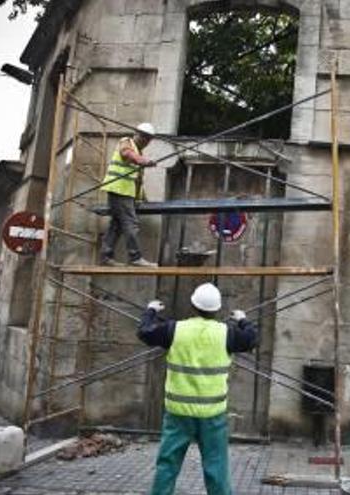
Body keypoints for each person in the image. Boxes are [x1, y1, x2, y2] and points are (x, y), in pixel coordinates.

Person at [139, 283, 258, 495]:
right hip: (212, 414)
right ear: (217, 309)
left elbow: (145, 332)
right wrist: (242, 319)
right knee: (216, 467)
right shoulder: (226, 333)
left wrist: (151, 311)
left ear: (193, 305)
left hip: (178, 413)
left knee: (167, 465)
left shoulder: (175, 329)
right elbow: (251, 339)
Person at [101, 122, 159, 267]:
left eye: (148, 140)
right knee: (130, 223)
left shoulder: (139, 153)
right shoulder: (126, 142)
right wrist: (143, 161)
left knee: (117, 225)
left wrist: (142, 199)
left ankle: (106, 257)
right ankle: (135, 257)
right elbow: (127, 154)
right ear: (137, 134)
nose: (145, 142)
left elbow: (137, 182)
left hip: (123, 192)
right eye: (144, 138)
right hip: (119, 190)